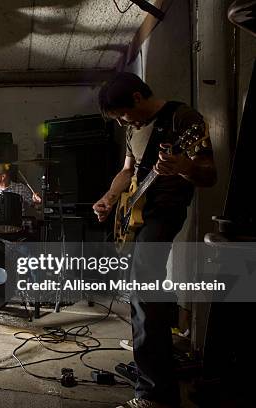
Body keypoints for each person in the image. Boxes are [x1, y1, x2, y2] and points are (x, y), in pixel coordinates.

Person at [93, 72, 216, 408]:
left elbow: (209, 173)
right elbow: (128, 171)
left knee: (143, 286)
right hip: (137, 212)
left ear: (136, 97)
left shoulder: (183, 119)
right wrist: (109, 197)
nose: (122, 121)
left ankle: (155, 393)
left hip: (165, 210)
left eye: (122, 114)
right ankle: (159, 354)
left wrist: (181, 167)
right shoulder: (135, 128)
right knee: (146, 292)